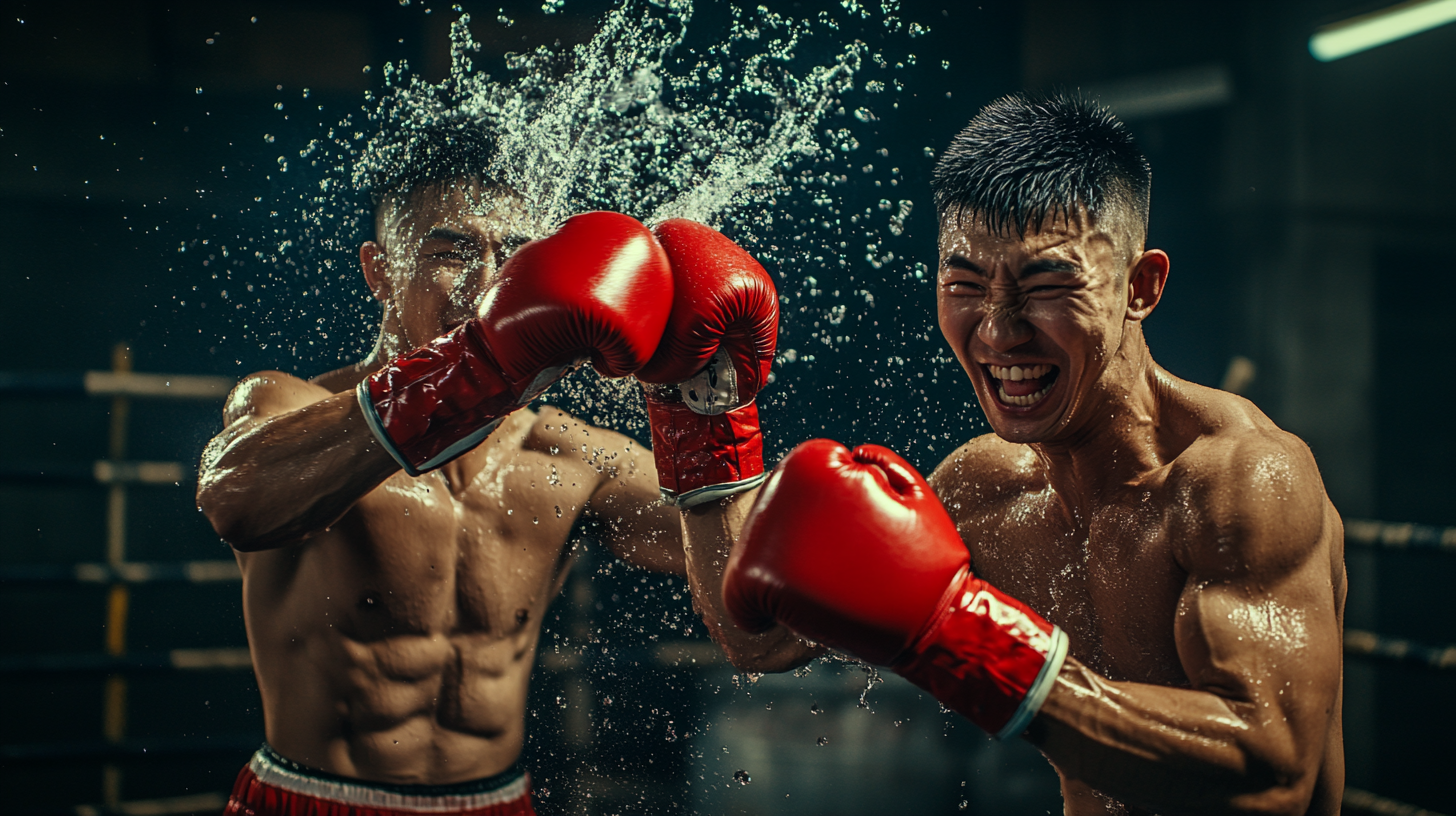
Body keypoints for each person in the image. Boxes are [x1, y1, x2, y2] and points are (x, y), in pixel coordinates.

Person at [724, 94, 1345, 816]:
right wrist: (699, 413)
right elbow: (762, 646)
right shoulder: (986, 488)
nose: (999, 330)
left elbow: (1270, 768)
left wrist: (970, 640)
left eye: (1047, 285)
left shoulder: (1240, 480)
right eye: (965, 284)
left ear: (1139, 287)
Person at [196, 123, 813, 816]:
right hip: (311, 801)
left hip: (496, 804)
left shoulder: (568, 457)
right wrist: (471, 370)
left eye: (514, 254)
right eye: (453, 250)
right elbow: (235, 498)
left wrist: (703, 404)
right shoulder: (292, 406)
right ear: (380, 270)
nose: (488, 282)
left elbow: (763, 600)